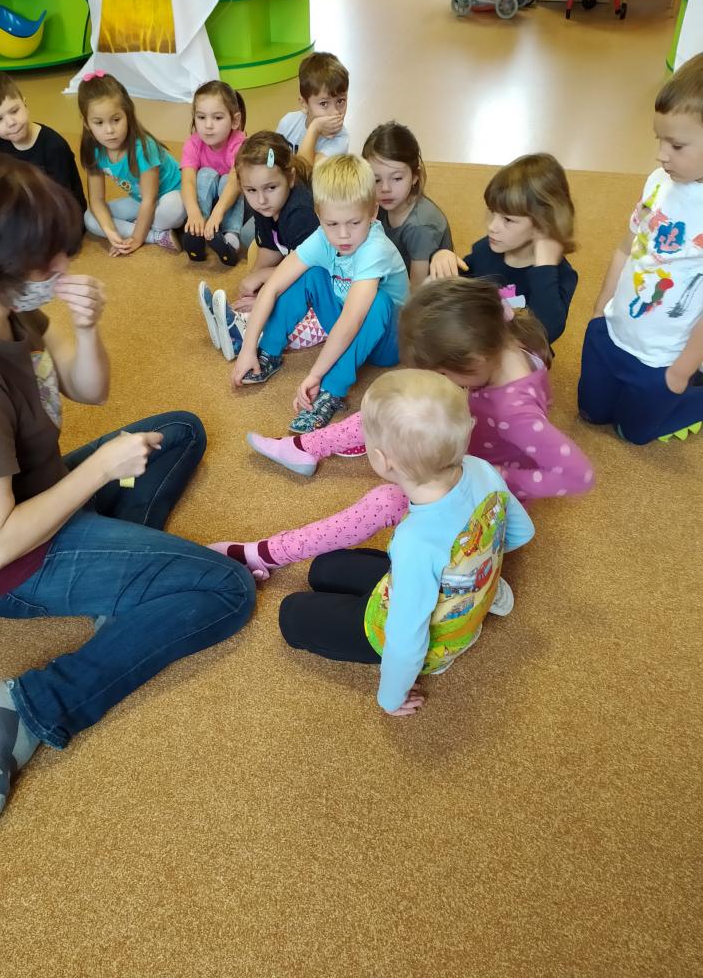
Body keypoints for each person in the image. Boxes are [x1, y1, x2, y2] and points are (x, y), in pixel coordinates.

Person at [0, 149, 255, 831]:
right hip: (5, 564)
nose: (62, 265)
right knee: (226, 591)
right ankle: (35, 704)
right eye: (45, 258)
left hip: (39, 491)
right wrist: (100, 469)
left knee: (181, 431)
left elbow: (89, 389)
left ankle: (126, 589)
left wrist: (84, 328)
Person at [213, 278, 593, 579]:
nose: (439, 377)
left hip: (476, 501)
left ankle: (269, 553)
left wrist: (501, 476)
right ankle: (306, 448)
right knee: (394, 404)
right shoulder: (502, 336)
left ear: (475, 359)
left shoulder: (516, 412)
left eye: (443, 372)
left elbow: (578, 474)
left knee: (383, 502)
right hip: (465, 440)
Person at [278, 370, 535, 716]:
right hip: (452, 586)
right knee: (323, 568)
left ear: (383, 460)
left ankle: (446, 650)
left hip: (433, 638)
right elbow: (520, 531)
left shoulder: (415, 542)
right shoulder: (482, 469)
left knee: (291, 614)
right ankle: (484, 597)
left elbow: (405, 640)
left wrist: (391, 696)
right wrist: (479, 574)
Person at [230, 154, 408, 434]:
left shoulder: (375, 249)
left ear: (373, 212)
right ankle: (270, 352)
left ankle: (332, 390)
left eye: (354, 223)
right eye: (332, 224)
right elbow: (274, 286)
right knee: (311, 274)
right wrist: (249, 348)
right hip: (344, 320)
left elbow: (352, 320)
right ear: (319, 216)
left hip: (388, 343)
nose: (343, 235)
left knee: (379, 301)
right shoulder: (323, 238)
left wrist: (316, 374)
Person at [578, 52, 703, 444]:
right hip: (613, 330)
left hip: (662, 357)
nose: (660, 154)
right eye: (658, 139)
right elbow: (626, 246)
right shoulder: (658, 181)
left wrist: (682, 371)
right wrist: (600, 309)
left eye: (676, 145)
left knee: (632, 434)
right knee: (590, 413)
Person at [197, 131, 325, 361]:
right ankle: (235, 322)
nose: (261, 200)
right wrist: (253, 286)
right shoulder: (267, 207)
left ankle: (243, 335)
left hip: (325, 291)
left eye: (270, 188)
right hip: (301, 274)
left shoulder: (300, 213)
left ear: (291, 178)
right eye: (251, 191)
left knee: (283, 320)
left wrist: (264, 291)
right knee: (259, 294)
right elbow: (269, 249)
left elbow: (309, 273)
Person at [430, 153, 577, 347]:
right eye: (493, 212)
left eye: (507, 220)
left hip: (520, 350)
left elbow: (546, 333)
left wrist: (544, 267)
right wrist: (443, 256)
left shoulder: (560, 275)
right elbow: (458, 286)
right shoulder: (486, 248)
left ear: (543, 224)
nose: (492, 226)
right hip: (480, 342)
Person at [78, 71, 184, 255]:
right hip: (140, 200)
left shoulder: (143, 147)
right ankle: (156, 236)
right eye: (99, 123)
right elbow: (96, 200)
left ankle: (144, 228)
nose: (109, 130)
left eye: (116, 120)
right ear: (86, 123)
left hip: (171, 195)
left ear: (128, 114)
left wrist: (136, 238)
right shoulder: (94, 150)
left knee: (173, 207)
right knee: (90, 218)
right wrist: (110, 231)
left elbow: (150, 199)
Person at [0, 70, 86, 214]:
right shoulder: (1, 143)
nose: (11, 122)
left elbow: (63, 199)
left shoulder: (53, 145)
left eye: (14, 111)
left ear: (25, 105)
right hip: (28, 208)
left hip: (63, 212)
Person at [363, 121, 453, 289]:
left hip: (423, 296)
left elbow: (416, 290)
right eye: (376, 180)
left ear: (415, 177)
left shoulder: (420, 225)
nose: (385, 188)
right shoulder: (380, 204)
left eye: (397, 178)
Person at [180, 80, 247, 267]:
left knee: (229, 179)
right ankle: (198, 229)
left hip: (235, 204)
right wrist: (194, 213)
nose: (208, 125)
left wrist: (217, 214)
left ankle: (231, 237)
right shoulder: (193, 144)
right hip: (208, 205)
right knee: (205, 174)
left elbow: (234, 181)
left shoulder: (240, 143)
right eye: (201, 117)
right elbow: (188, 181)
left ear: (235, 120)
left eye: (217, 118)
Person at [276, 51, 350, 167]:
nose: (335, 112)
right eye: (324, 103)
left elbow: (306, 172)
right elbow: (272, 159)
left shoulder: (340, 139)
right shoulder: (288, 122)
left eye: (340, 101)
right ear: (304, 104)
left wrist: (314, 128)